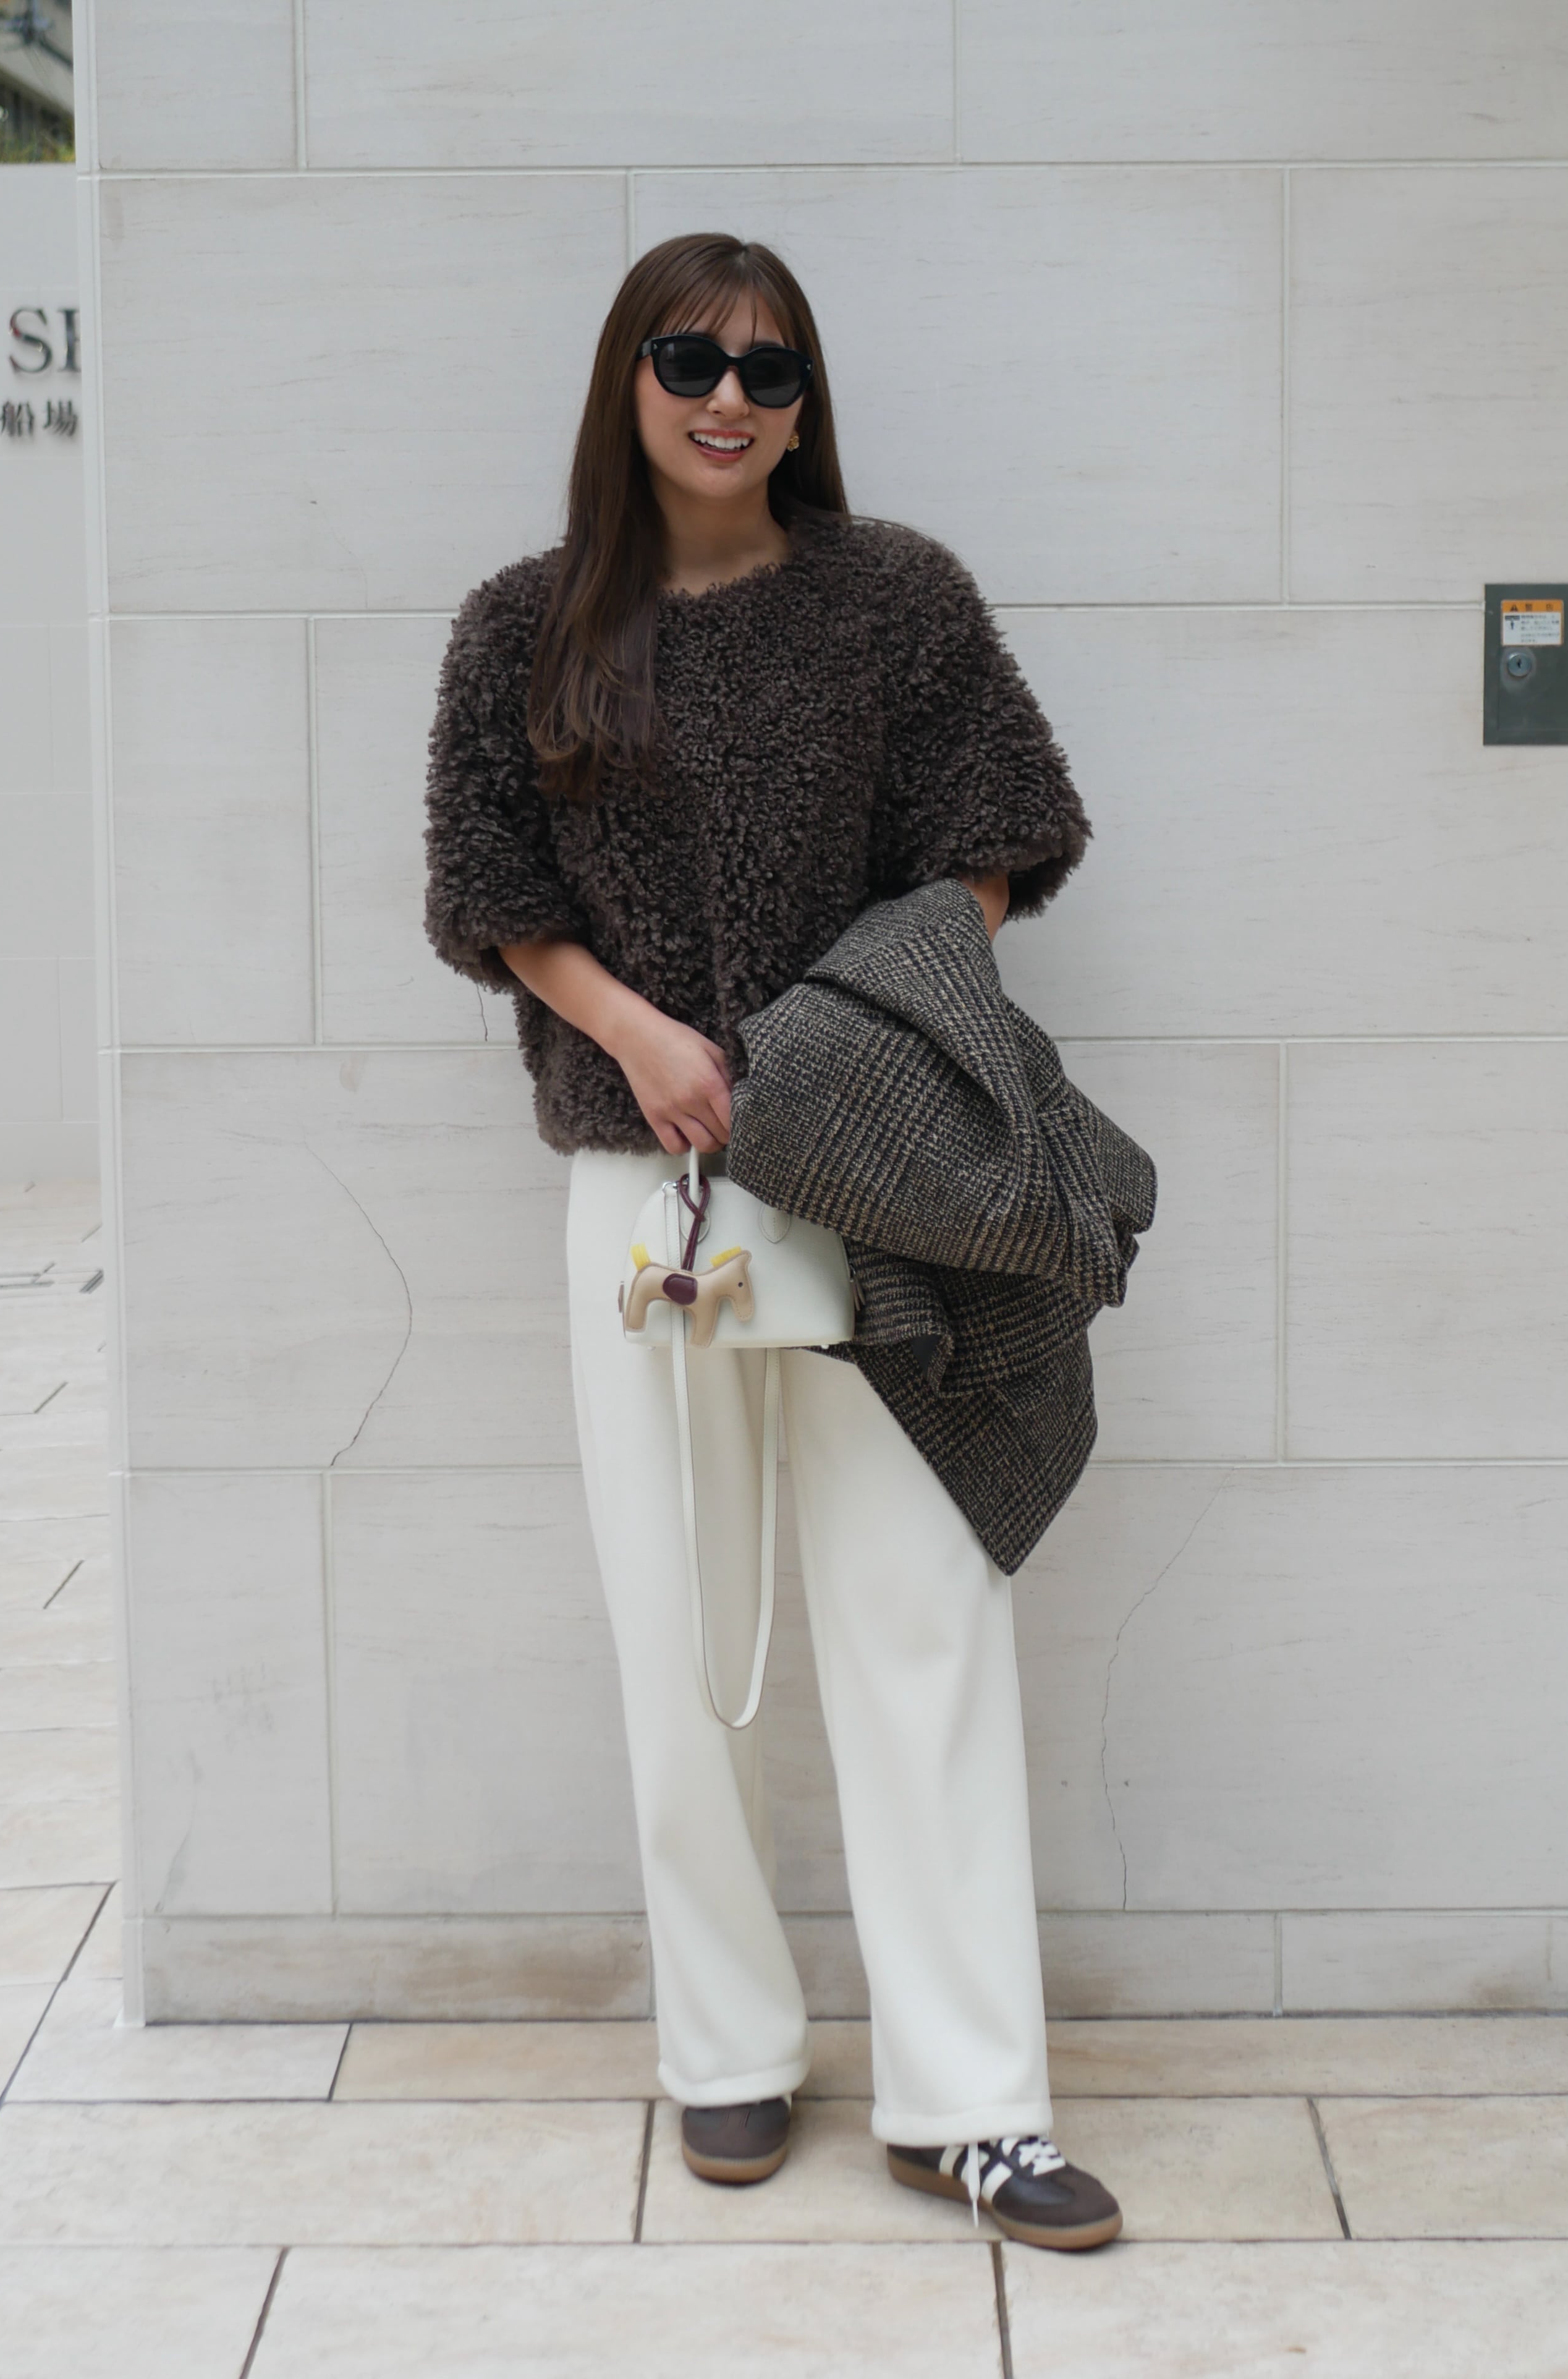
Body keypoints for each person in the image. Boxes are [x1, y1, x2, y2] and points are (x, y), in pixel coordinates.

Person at [424, 232, 1121, 2251]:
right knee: (682, 1634)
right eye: (689, 358)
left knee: (923, 1615)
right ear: (626, 380)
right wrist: (644, 1040)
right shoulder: (522, 626)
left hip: (876, 1177)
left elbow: (997, 841)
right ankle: (723, 2044)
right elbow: (490, 891)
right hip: (642, 1182)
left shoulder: (895, 599)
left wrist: (832, 1047)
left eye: (769, 369)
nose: (728, 398)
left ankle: (969, 2102)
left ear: (807, 403)